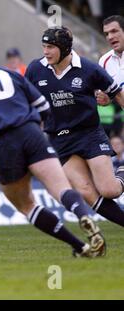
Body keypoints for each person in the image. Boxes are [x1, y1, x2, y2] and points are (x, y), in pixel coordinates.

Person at [0, 44, 106, 257]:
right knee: (61, 187)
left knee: (26, 205)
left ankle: (79, 246)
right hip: (30, 132)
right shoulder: (11, 74)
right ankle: (85, 217)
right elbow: (43, 107)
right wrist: (35, 132)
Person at [26, 27, 124, 229]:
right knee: (86, 191)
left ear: (64, 48)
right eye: (44, 46)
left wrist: (109, 99)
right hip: (59, 139)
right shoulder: (36, 69)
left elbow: (116, 93)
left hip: (89, 134)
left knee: (109, 190)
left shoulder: (89, 69)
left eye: (51, 47)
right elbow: (23, 99)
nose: (46, 51)